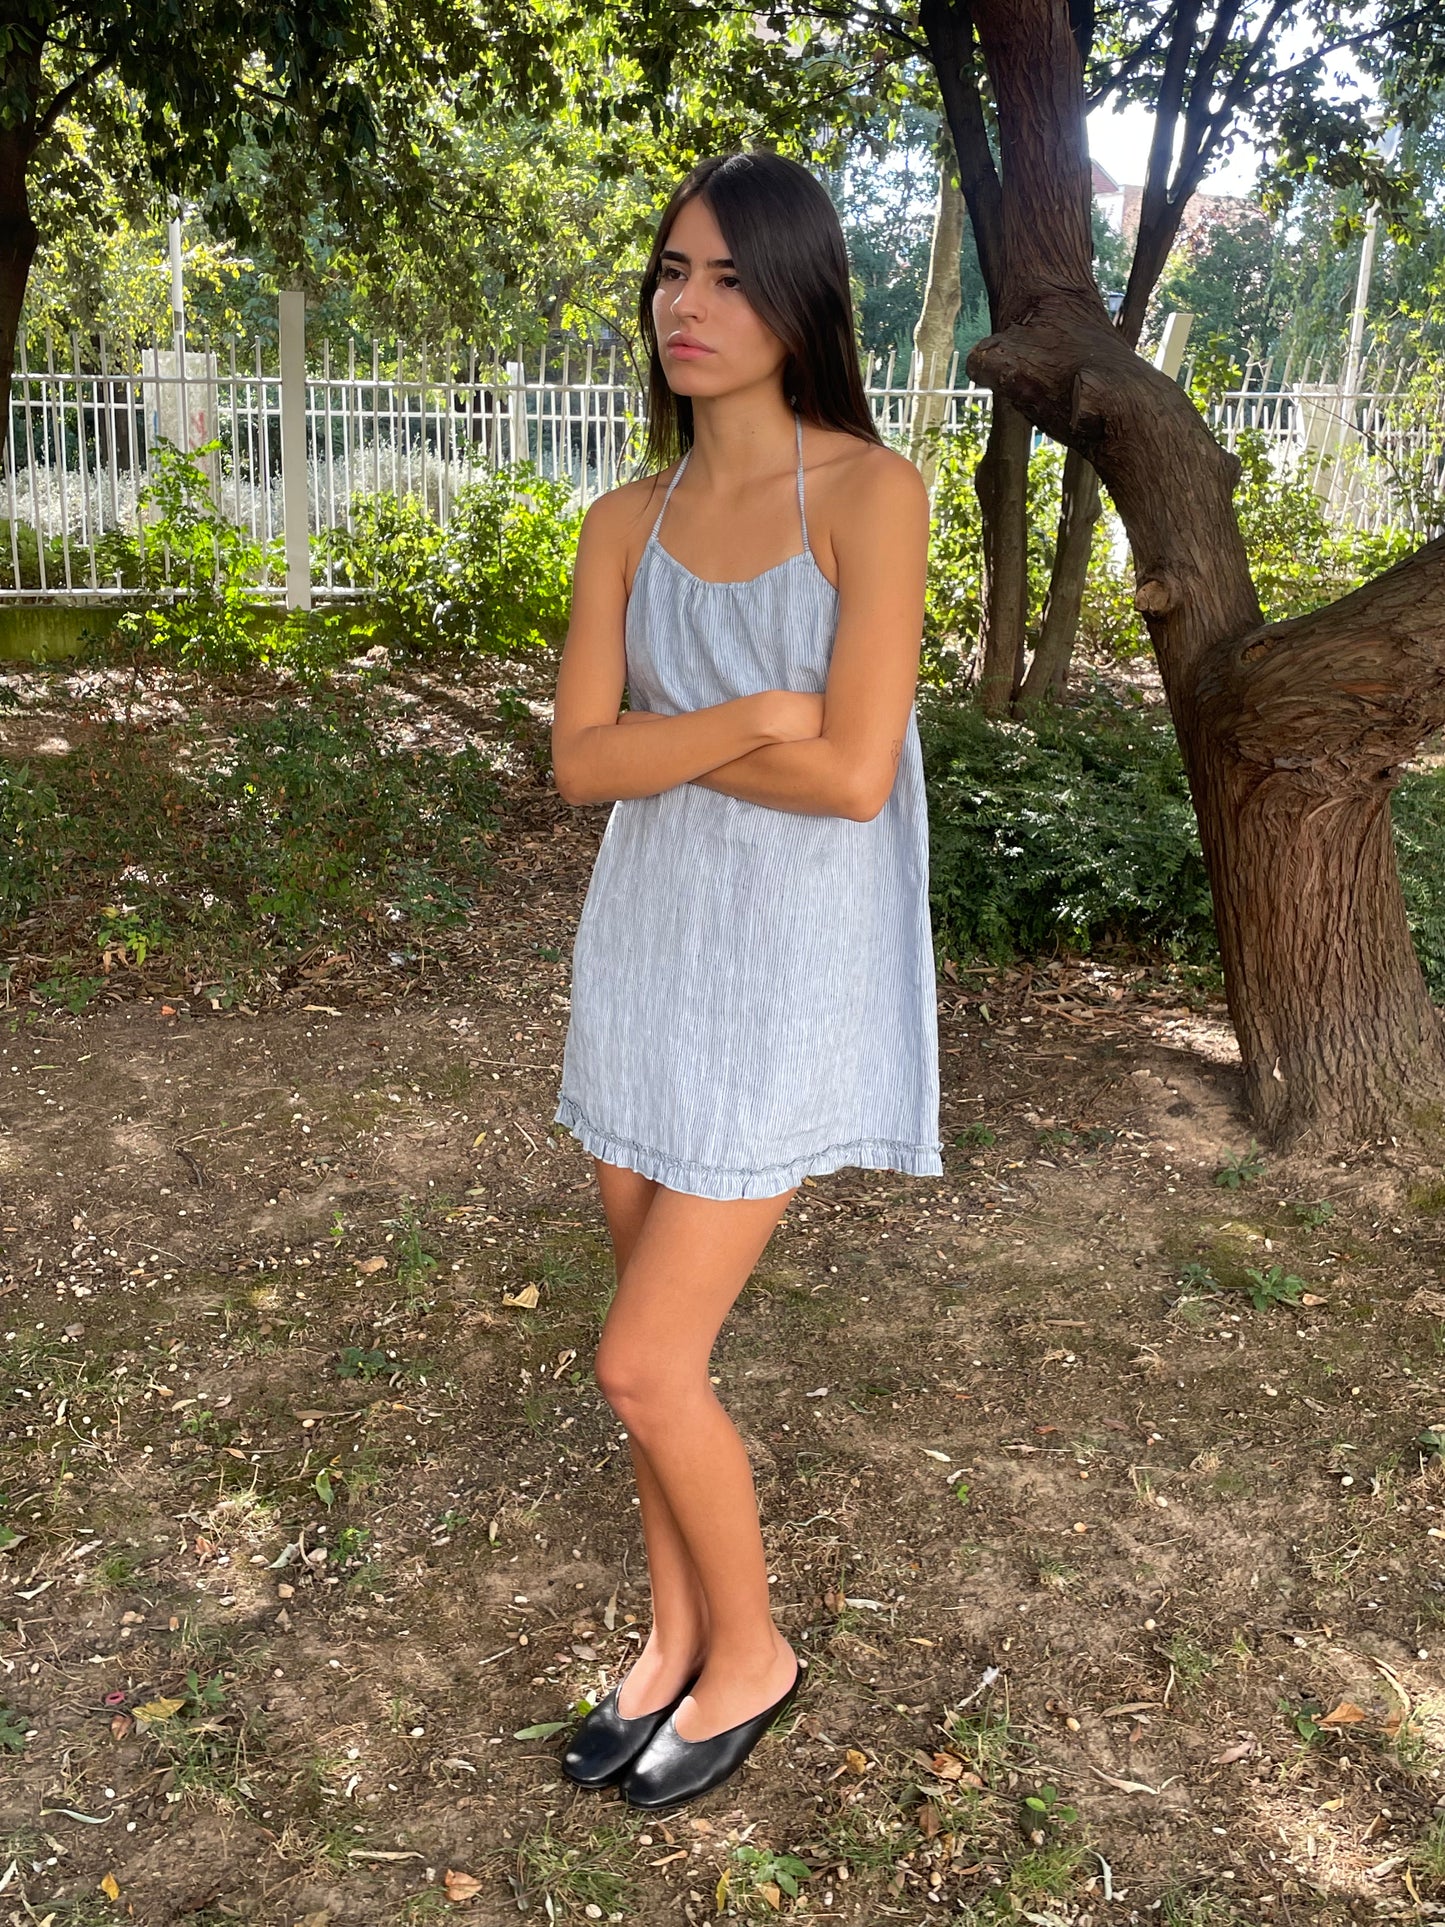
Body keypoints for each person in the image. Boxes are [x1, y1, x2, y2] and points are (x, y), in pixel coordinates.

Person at [548, 149, 943, 1811]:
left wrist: (680, 746)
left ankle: (757, 1651)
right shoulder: (620, 520)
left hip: (783, 975)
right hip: (646, 952)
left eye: (722, 276)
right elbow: (578, 766)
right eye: (666, 272)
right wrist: (755, 719)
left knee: (641, 1361)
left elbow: (855, 780)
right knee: (669, 1365)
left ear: (796, 302)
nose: (684, 306)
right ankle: (670, 1644)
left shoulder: (869, 493)